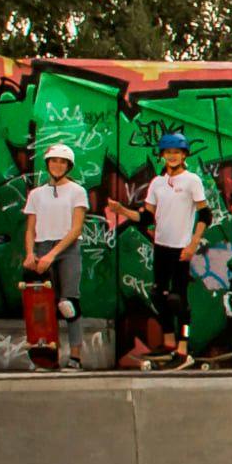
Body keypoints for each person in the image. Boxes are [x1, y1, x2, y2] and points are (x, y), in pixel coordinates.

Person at [111, 132, 210, 370]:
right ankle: (168, 344)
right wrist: (123, 211)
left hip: (181, 248)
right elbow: (146, 217)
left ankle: (183, 348)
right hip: (161, 247)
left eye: (177, 152)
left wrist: (193, 244)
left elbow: (205, 214)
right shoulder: (157, 183)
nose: (172, 156)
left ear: (184, 154)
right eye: (168, 153)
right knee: (159, 295)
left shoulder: (192, 181)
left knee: (179, 300)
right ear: (163, 155)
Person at [22, 144, 89, 370]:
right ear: (48, 164)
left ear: (68, 166)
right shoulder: (36, 194)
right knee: (42, 305)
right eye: (54, 161)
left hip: (66, 248)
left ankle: (76, 357)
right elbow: (31, 228)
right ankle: (46, 354)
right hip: (42, 247)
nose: (57, 165)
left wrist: (52, 254)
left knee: (68, 303)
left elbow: (76, 228)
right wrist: (31, 254)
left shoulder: (77, 191)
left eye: (62, 162)